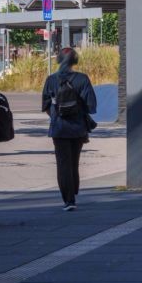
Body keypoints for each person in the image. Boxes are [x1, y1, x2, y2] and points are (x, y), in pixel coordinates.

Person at [41, 48, 97, 211]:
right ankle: (74, 189)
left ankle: (68, 199)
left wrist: (56, 116)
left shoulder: (51, 80)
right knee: (74, 161)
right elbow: (91, 105)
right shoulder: (82, 79)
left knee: (63, 164)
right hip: (78, 127)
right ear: (75, 61)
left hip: (59, 128)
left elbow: (45, 105)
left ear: (58, 60)